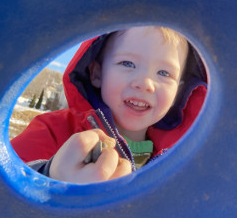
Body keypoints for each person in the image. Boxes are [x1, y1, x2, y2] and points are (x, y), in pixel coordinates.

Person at [11, 26, 207, 184]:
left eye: (164, 73)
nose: (145, 83)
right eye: (128, 63)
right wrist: (47, 176)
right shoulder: (54, 130)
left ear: (178, 92)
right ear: (97, 73)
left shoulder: (184, 159)